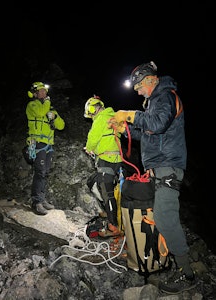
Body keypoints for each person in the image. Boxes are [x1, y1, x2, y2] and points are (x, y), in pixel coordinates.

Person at [110, 61, 196, 294]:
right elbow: (148, 134)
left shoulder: (165, 96)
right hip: (160, 168)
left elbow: (157, 124)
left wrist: (129, 115)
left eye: (138, 86)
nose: (137, 92)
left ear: (149, 80)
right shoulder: (155, 102)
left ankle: (187, 274)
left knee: (165, 217)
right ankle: (172, 261)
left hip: (168, 167)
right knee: (160, 215)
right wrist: (123, 130)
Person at [83, 95, 123, 237]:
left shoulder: (101, 117)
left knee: (107, 191)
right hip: (117, 158)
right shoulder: (113, 115)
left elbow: (93, 137)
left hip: (107, 158)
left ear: (93, 108)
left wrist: (88, 148)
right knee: (108, 187)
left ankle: (113, 225)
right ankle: (110, 212)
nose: (91, 116)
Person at [26, 81, 65, 215]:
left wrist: (54, 117)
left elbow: (61, 126)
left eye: (45, 91)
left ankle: (42, 199)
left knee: (45, 172)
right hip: (37, 143)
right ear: (35, 93)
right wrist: (47, 104)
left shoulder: (50, 108)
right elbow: (40, 113)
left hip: (48, 145)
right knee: (40, 172)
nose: (44, 93)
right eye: (41, 91)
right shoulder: (32, 105)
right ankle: (36, 202)